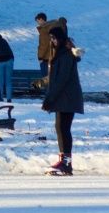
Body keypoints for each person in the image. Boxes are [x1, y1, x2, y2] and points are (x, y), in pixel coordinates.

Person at [36, 14, 84, 176]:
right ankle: (65, 161)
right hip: (64, 97)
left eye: (54, 38)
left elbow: (61, 80)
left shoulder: (65, 55)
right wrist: (43, 82)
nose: (52, 41)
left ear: (61, 39)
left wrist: (49, 99)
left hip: (67, 97)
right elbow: (55, 77)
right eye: (51, 38)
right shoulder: (59, 54)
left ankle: (65, 162)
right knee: (61, 127)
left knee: (63, 127)